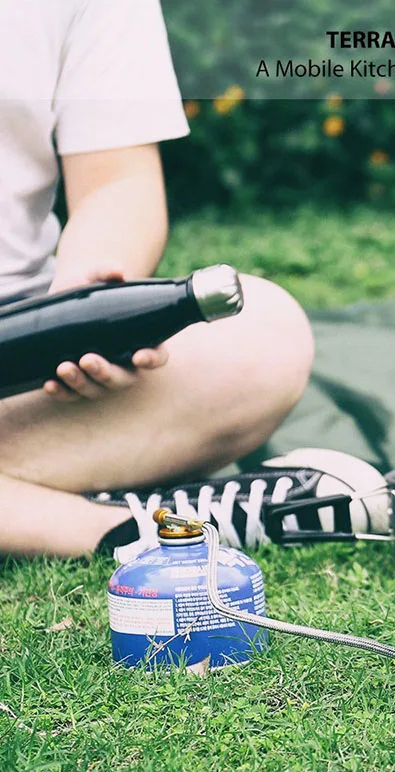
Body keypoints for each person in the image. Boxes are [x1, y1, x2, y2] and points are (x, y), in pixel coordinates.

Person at [0, 1, 313, 556]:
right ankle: (114, 529)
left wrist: (80, 304)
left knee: (266, 337)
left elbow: (116, 183)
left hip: (18, 355)